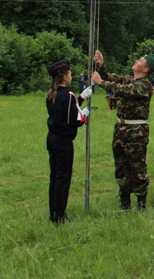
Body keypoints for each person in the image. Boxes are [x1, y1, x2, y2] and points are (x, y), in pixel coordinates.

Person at [91, 50, 154, 211]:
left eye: (140, 60)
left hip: (136, 132)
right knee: (121, 167)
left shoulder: (144, 85)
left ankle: (141, 204)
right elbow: (111, 77)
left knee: (137, 168)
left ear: (145, 69)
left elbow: (122, 90)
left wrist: (101, 83)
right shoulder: (130, 80)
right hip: (121, 130)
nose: (136, 60)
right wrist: (101, 65)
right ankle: (124, 203)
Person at [46, 61, 88, 224]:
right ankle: (60, 216)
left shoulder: (53, 93)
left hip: (52, 138)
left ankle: (53, 213)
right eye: (70, 74)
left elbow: (66, 109)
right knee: (63, 178)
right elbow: (75, 119)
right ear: (64, 77)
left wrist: (81, 98)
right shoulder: (68, 95)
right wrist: (85, 114)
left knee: (55, 177)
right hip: (64, 141)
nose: (71, 77)